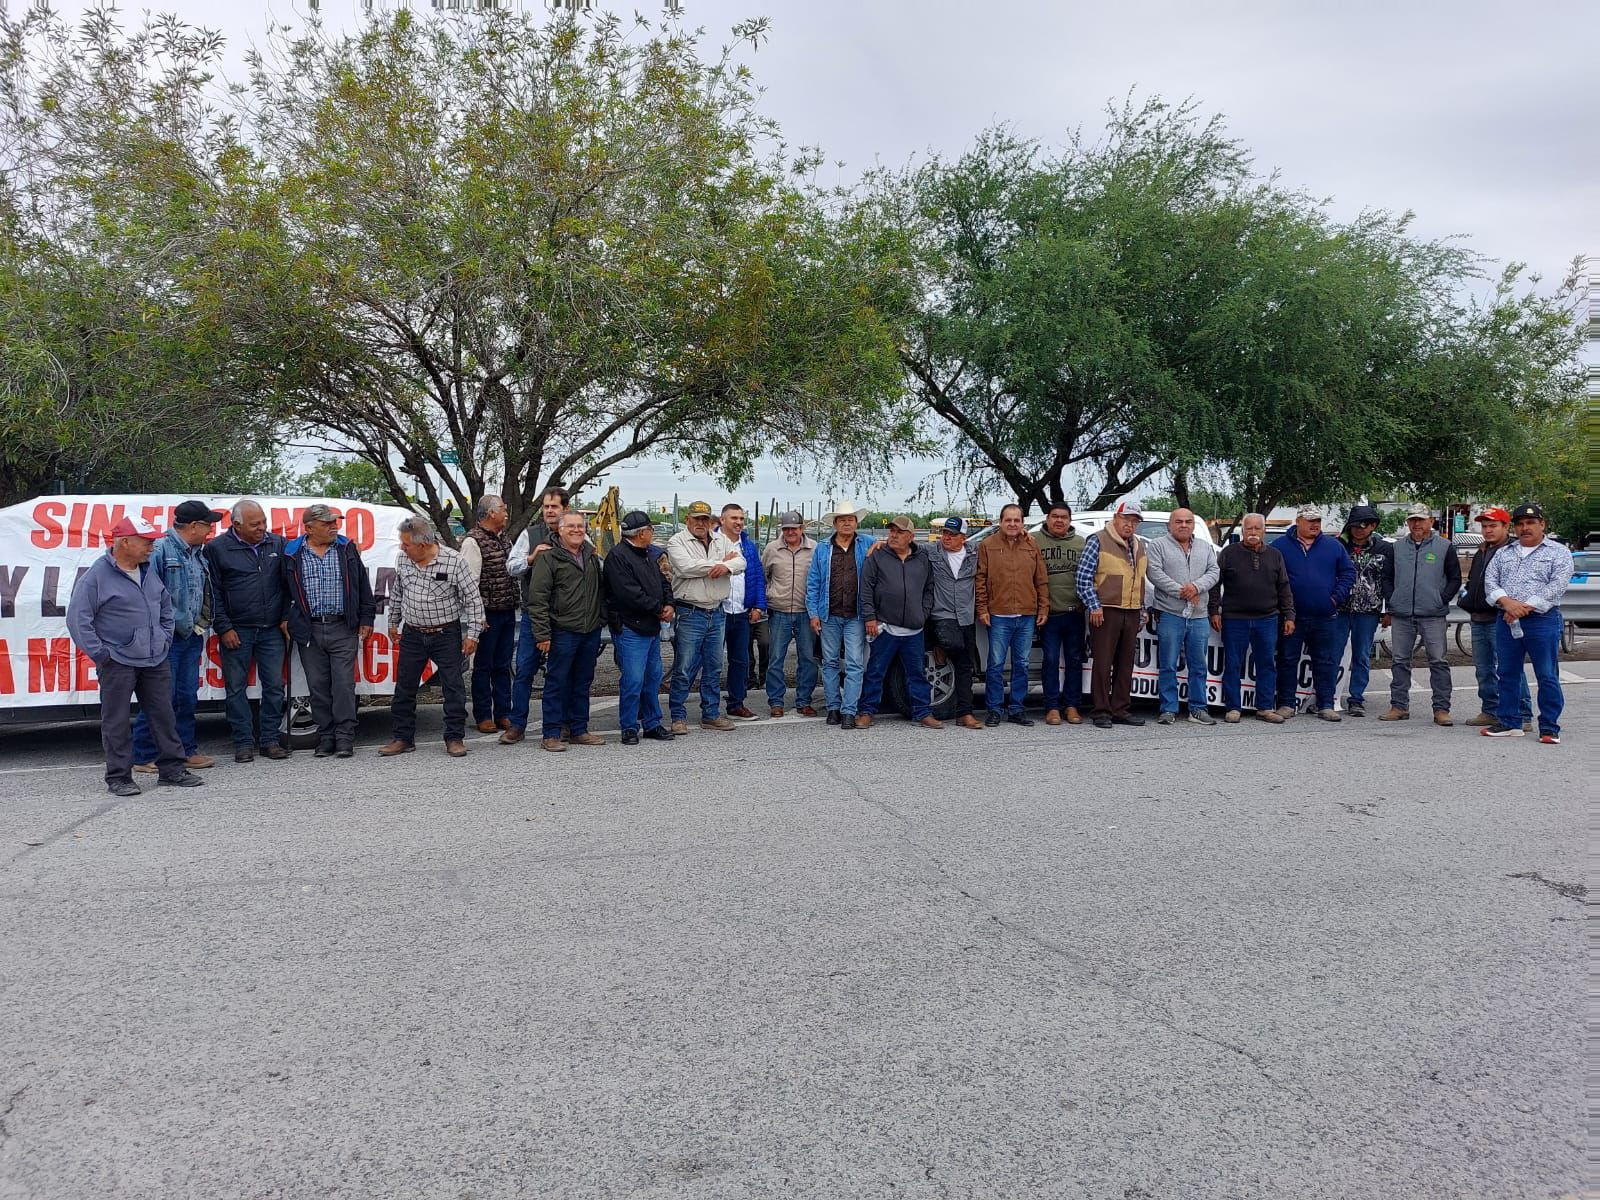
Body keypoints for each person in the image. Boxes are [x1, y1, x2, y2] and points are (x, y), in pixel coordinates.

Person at [67, 516, 204, 796]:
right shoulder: (96, 576)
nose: (152, 546)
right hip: (117, 662)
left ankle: (172, 770)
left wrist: (164, 639)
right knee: (116, 721)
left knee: (164, 715)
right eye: (146, 541)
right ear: (125, 542)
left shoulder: (147, 571)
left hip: (154, 659)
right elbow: (78, 619)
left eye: (153, 541)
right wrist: (102, 654)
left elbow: (165, 606)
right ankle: (119, 777)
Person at [378, 516, 483, 758]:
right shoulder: (403, 558)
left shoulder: (454, 561)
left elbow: (473, 601)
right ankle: (403, 738)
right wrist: (394, 622)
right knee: (404, 687)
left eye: (406, 544)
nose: (402, 548)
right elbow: (398, 592)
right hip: (413, 634)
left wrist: (473, 635)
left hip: (446, 633)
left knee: (453, 687)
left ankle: (454, 738)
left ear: (422, 545)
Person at [131, 500, 222, 774]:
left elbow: (202, 592)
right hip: (165, 639)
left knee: (186, 696)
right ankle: (143, 754)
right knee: (160, 697)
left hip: (191, 635)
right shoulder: (159, 549)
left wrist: (201, 625)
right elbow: (145, 596)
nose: (211, 530)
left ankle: (185, 750)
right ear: (194, 526)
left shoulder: (198, 553)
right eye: (208, 525)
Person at [282, 503, 376, 758]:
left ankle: (345, 737)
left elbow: (362, 586)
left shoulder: (346, 549)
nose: (334, 527)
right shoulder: (292, 553)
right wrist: (285, 618)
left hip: (342, 626)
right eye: (327, 523)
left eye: (335, 522)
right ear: (309, 528)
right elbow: (281, 590)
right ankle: (326, 736)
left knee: (344, 685)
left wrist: (366, 617)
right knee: (318, 686)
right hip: (308, 629)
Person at [206, 499, 290, 762]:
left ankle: (270, 741)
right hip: (236, 631)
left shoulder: (277, 543)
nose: (262, 528)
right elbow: (213, 592)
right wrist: (224, 627)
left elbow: (288, 586)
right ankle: (242, 743)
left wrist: (286, 617)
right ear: (236, 525)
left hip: (271, 630)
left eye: (264, 522)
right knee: (235, 689)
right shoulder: (217, 549)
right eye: (255, 524)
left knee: (275, 687)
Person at [1481, 503, 1572, 744]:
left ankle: (1549, 727)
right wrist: (1508, 604)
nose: (1525, 528)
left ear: (1542, 525)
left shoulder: (1558, 552)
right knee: (1507, 672)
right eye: (1520, 524)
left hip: (1542, 621)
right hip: (1507, 620)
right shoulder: (1504, 553)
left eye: (1530, 523)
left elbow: (1557, 585)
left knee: (1546, 674)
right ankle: (1510, 722)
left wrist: (1522, 608)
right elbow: (1490, 582)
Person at [527, 510, 608, 752]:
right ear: (559, 530)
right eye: (571, 526)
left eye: (580, 526)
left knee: (583, 681)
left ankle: (579, 729)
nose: (576, 530)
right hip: (562, 631)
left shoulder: (591, 556)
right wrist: (542, 634)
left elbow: (602, 591)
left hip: (589, 630)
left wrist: (600, 618)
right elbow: (538, 598)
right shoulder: (548, 558)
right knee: (556, 682)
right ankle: (551, 732)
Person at [1379, 502, 1462, 726]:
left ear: (1431, 521)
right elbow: (1386, 577)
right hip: (1402, 613)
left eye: (1421, 519)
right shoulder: (1396, 548)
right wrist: (1393, 599)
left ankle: (1441, 709)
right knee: (1399, 661)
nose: (1416, 523)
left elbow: (1455, 578)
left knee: (1438, 661)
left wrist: (1441, 599)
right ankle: (1399, 706)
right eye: (1412, 519)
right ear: (1407, 522)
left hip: (1433, 614)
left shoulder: (1445, 547)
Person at [667, 500, 745, 733]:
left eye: (705, 519)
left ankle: (710, 714)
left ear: (710, 521)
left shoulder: (721, 539)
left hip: (717, 611)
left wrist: (730, 565)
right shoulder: (676, 541)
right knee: (684, 666)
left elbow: (741, 562)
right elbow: (685, 567)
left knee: (714, 666)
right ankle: (677, 716)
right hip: (690, 611)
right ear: (687, 520)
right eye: (696, 519)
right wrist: (724, 564)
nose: (701, 523)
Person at [1271, 505, 1355, 721]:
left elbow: (1348, 573)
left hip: (1325, 615)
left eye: (1317, 520)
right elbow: (1271, 577)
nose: (1315, 524)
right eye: (1309, 520)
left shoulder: (1333, 546)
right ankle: (1286, 704)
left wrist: (1335, 599)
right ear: (1298, 521)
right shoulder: (1280, 546)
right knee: (1288, 659)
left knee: (1325, 660)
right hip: (1292, 616)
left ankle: (1325, 704)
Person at [858, 516, 942, 729]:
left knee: (916, 674)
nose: (894, 535)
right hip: (885, 627)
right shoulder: (877, 556)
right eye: (892, 531)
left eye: (899, 532)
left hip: (914, 629)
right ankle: (867, 711)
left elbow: (929, 588)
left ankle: (923, 712)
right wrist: (870, 617)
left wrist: (923, 613)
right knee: (876, 671)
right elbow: (866, 588)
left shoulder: (923, 558)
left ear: (911, 537)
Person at [1209, 514, 1294, 724]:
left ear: (1264, 531)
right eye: (1249, 529)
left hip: (1267, 618)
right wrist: (1214, 611)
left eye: (1257, 528)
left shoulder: (1275, 555)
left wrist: (1289, 615)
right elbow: (1213, 584)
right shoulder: (1229, 553)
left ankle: (1264, 708)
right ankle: (1233, 707)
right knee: (1232, 664)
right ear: (1242, 531)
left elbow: (1284, 587)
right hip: (1234, 618)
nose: (1253, 533)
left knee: (1266, 664)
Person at [502, 486, 569, 744]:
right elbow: (511, 567)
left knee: (560, 672)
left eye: (555, 507)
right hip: (534, 615)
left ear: (565, 508)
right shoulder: (529, 534)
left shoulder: (574, 534)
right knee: (525, 669)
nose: (550, 511)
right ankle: (517, 723)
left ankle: (560, 723)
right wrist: (530, 559)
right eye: (546, 506)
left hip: (564, 617)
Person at [604, 511, 676, 745]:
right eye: (650, 529)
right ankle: (629, 726)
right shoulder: (618, 557)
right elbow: (629, 593)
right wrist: (658, 609)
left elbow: (665, 581)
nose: (652, 533)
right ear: (641, 533)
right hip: (630, 627)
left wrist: (669, 604)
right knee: (633, 680)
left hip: (651, 626)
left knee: (653, 677)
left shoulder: (652, 553)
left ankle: (653, 723)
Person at [1075, 498, 1148, 729]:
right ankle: (1101, 711)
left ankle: (1120, 710)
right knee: (1103, 663)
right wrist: (1094, 605)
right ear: (1116, 517)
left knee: (1126, 664)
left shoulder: (1138, 545)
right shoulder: (1098, 540)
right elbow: (1083, 578)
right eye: (1126, 519)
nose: (1130, 525)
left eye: (1134, 521)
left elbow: (1140, 580)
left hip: (1131, 610)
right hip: (1106, 609)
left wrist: (1142, 608)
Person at [1145, 508, 1220, 726]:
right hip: (1170, 614)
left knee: (1199, 666)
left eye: (1188, 521)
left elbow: (1214, 572)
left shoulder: (1205, 547)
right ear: (1170, 524)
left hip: (1199, 616)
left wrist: (1196, 587)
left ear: (1193, 525)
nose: (1184, 525)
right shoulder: (1157, 545)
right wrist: (1182, 591)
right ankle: (1168, 708)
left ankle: (1197, 708)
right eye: (1179, 521)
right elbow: (1154, 573)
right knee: (1168, 663)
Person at [1459, 507, 1532, 729]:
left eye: (1493, 525)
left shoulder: (1514, 551)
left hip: (1502, 618)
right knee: (1483, 669)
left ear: (1505, 527)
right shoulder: (1482, 550)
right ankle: (1490, 709)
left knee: (1509, 668)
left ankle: (1523, 713)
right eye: (1484, 526)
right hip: (1479, 617)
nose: (1488, 530)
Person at [805, 502, 876, 729]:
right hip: (829, 614)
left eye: (851, 519)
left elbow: (888, 555)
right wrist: (813, 613)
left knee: (855, 663)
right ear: (835, 523)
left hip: (856, 615)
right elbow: (813, 582)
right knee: (830, 663)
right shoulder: (823, 548)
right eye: (842, 519)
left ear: (857, 522)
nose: (847, 522)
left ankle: (849, 711)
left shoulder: (868, 543)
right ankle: (833, 708)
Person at [977, 503, 1048, 727]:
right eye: (1008, 520)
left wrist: (1043, 607)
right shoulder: (987, 545)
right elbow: (980, 580)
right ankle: (994, 709)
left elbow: (1041, 579)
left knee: (1022, 664)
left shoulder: (1031, 544)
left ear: (1022, 523)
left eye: (1017, 520)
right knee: (996, 664)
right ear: (1000, 522)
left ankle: (1017, 709)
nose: (1012, 524)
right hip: (998, 615)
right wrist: (982, 609)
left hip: (1027, 615)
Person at [460, 494, 518, 735]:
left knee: (503, 665)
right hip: (486, 615)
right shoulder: (472, 542)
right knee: (483, 666)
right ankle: (483, 715)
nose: (506, 513)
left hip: (506, 610)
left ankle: (503, 712)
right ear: (491, 513)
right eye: (503, 508)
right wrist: (476, 616)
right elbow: (468, 583)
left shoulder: (505, 540)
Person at [1332, 504, 1394, 718]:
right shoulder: (1337, 545)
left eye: (1364, 525)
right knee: (1333, 654)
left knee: (1361, 656)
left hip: (1368, 611)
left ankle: (1356, 698)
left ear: (1373, 525)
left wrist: (1389, 610)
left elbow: (1389, 580)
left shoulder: (1385, 548)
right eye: (1354, 525)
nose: (1358, 529)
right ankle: (1328, 697)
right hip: (1339, 609)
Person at [1033, 502, 1088, 725]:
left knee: (1075, 660)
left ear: (1069, 520)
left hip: (1075, 612)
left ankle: (1072, 705)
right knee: (1051, 660)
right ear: (1047, 518)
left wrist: (1086, 601)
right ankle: (1052, 706)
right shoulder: (1034, 540)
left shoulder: (1080, 543)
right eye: (1054, 516)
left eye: (1063, 517)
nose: (1059, 521)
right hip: (1049, 614)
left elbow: (1092, 575)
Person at [928, 517, 983, 730]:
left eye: (952, 535)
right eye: (945, 533)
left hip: (966, 616)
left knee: (965, 666)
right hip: (942, 614)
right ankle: (939, 645)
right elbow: (907, 544)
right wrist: (879, 543)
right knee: (954, 645)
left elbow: (998, 542)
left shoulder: (975, 552)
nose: (947, 538)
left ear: (964, 537)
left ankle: (965, 713)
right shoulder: (932, 551)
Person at [761, 510, 817, 718]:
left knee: (808, 659)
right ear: (781, 530)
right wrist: (771, 595)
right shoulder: (772, 549)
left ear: (802, 529)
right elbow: (764, 575)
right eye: (786, 529)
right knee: (776, 658)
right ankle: (776, 701)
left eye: (794, 528)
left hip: (806, 612)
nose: (790, 532)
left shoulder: (815, 549)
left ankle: (804, 701)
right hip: (779, 611)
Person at [718, 504, 767, 720]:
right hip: (716, 611)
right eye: (733, 518)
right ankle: (707, 708)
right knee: (710, 661)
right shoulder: (712, 543)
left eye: (741, 518)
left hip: (741, 611)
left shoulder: (748, 546)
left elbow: (757, 577)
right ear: (722, 520)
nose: (738, 522)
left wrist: (758, 605)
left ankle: (736, 704)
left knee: (741, 660)